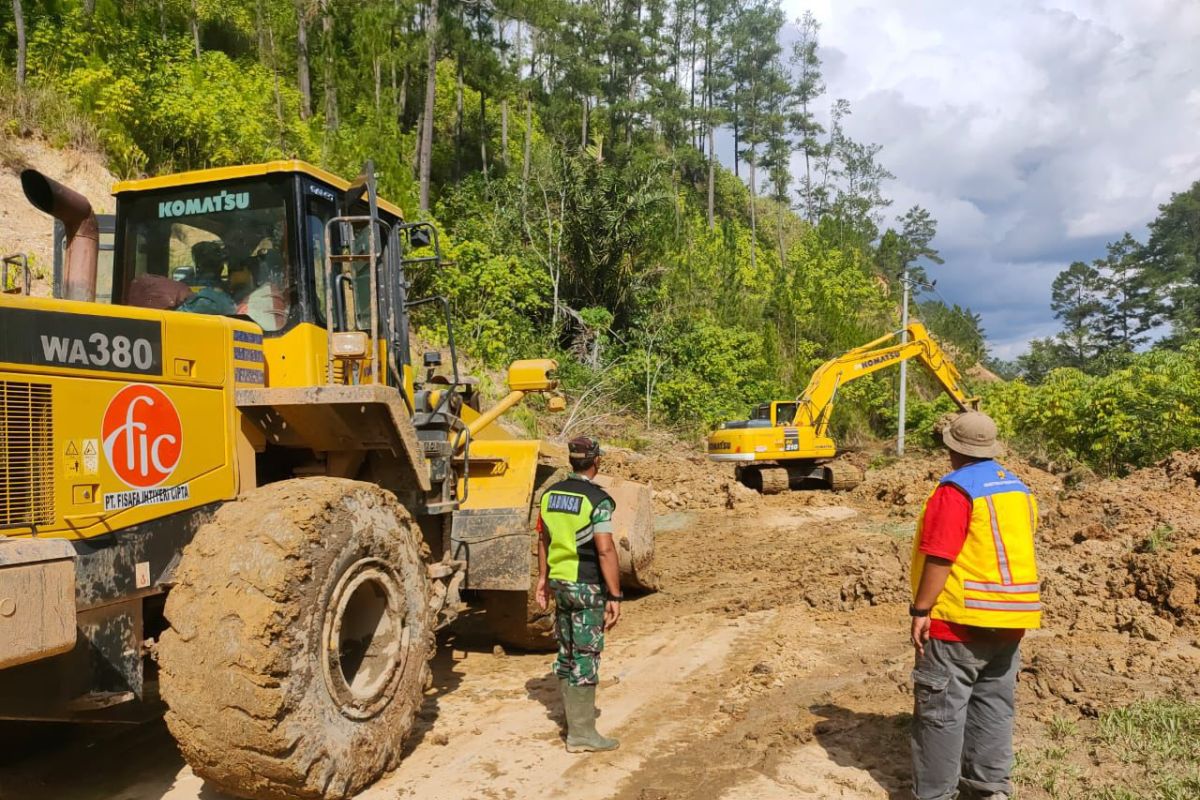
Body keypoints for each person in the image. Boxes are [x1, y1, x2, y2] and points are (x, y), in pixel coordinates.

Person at [909, 411, 1041, 800]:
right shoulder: (1018, 488)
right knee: (994, 709)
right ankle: (989, 791)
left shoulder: (956, 490)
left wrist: (921, 610)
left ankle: (934, 795)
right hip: (1011, 620)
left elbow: (940, 555)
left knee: (940, 716)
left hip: (959, 621)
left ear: (952, 447)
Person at [534, 436, 622, 753]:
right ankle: (582, 734)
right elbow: (605, 550)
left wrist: (542, 579)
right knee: (586, 655)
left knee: (567, 652)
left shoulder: (549, 495)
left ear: (572, 461)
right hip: (587, 586)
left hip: (560, 583)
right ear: (596, 461)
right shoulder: (597, 501)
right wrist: (614, 595)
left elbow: (543, 541)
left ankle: (572, 723)